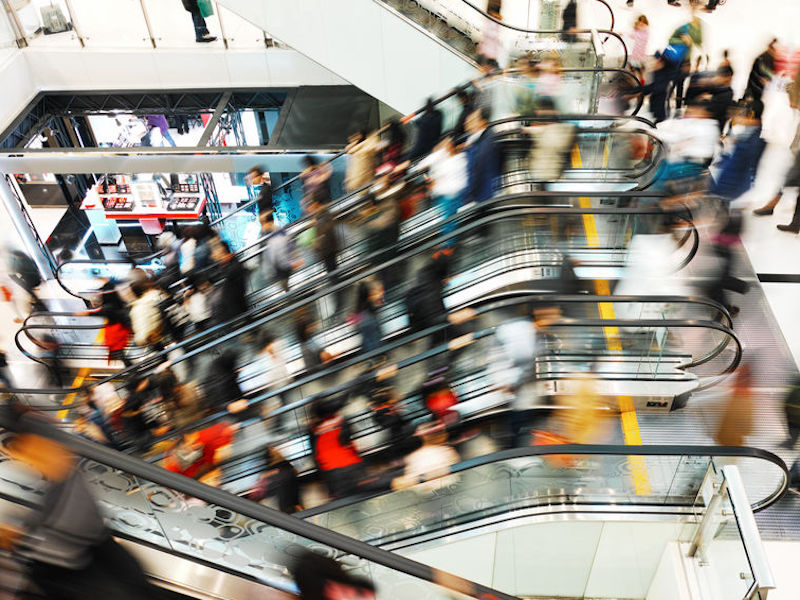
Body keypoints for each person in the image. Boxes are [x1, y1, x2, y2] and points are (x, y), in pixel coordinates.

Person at [0, 402, 157, 600]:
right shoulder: (16, 474)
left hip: (88, 546)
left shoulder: (40, 444)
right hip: (64, 564)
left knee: (135, 585)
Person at [415, 135, 468, 246]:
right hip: (441, 194)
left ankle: (448, 245)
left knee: (448, 221)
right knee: (444, 219)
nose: (444, 147)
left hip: (450, 195)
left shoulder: (460, 160)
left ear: (452, 146)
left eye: (446, 144)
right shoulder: (442, 155)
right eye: (443, 144)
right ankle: (446, 242)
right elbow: (421, 165)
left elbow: (458, 181)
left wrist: (435, 180)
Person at [309, 397, 366, 497]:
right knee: (362, 493)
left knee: (345, 498)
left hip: (334, 470)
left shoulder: (314, 429)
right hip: (352, 464)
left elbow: (316, 456)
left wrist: (329, 487)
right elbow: (348, 439)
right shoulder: (341, 421)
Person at [711, 99, 766, 203]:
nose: (738, 116)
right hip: (731, 185)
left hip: (736, 190)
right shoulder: (745, 134)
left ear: (751, 115)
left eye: (742, 113)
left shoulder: (754, 140)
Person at [238, 330, 292, 430]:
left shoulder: (274, 350)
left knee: (282, 404)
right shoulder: (262, 358)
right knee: (277, 405)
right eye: (271, 344)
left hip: (280, 384)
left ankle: (278, 426)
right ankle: (276, 427)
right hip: (273, 387)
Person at [390, 423, 460, 493]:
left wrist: (413, 481)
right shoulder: (415, 456)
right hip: (432, 496)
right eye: (436, 433)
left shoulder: (446, 451)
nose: (442, 434)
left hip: (446, 493)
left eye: (440, 432)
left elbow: (450, 479)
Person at [464, 106, 502, 232]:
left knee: (482, 225)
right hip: (484, 190)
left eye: (472, 120)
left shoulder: (486, 142)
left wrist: (471, 195)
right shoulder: (483, 137)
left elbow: (477, 169)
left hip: (482, 192)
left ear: (482, 122)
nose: (468, 123)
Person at [246, 447, 302, 513]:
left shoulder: (272, 469)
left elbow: (270, 486)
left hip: (285, 500)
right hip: (291, 497)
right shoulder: (284, 465)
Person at [209, 238, 249, 324]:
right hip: (233, 314)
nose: (212, 255)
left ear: (221, 250)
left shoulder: (232, 268)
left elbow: (234, 293)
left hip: (236, 315)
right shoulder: (225, 267)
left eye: (213, 252)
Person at [260, 211, 297, 292]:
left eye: (263, 222)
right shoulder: (263, 235)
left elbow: (288, 247)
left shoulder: (278, 232)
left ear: (270, 222)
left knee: (285, 288)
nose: (262, 225)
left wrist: (291, 262)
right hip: (274, 269)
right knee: (283, 288)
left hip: (282, 267)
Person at [129, 279, 166, 353]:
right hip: (167, 333)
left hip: (156, 339)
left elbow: (142, 329)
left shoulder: (138, 308)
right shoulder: (159, 295)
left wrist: (140, 339)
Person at [349, 279, 384, 356]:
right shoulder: (369, 304)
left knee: (368, 340)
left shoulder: (359, 305)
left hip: (363, 323)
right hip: (370, 322)